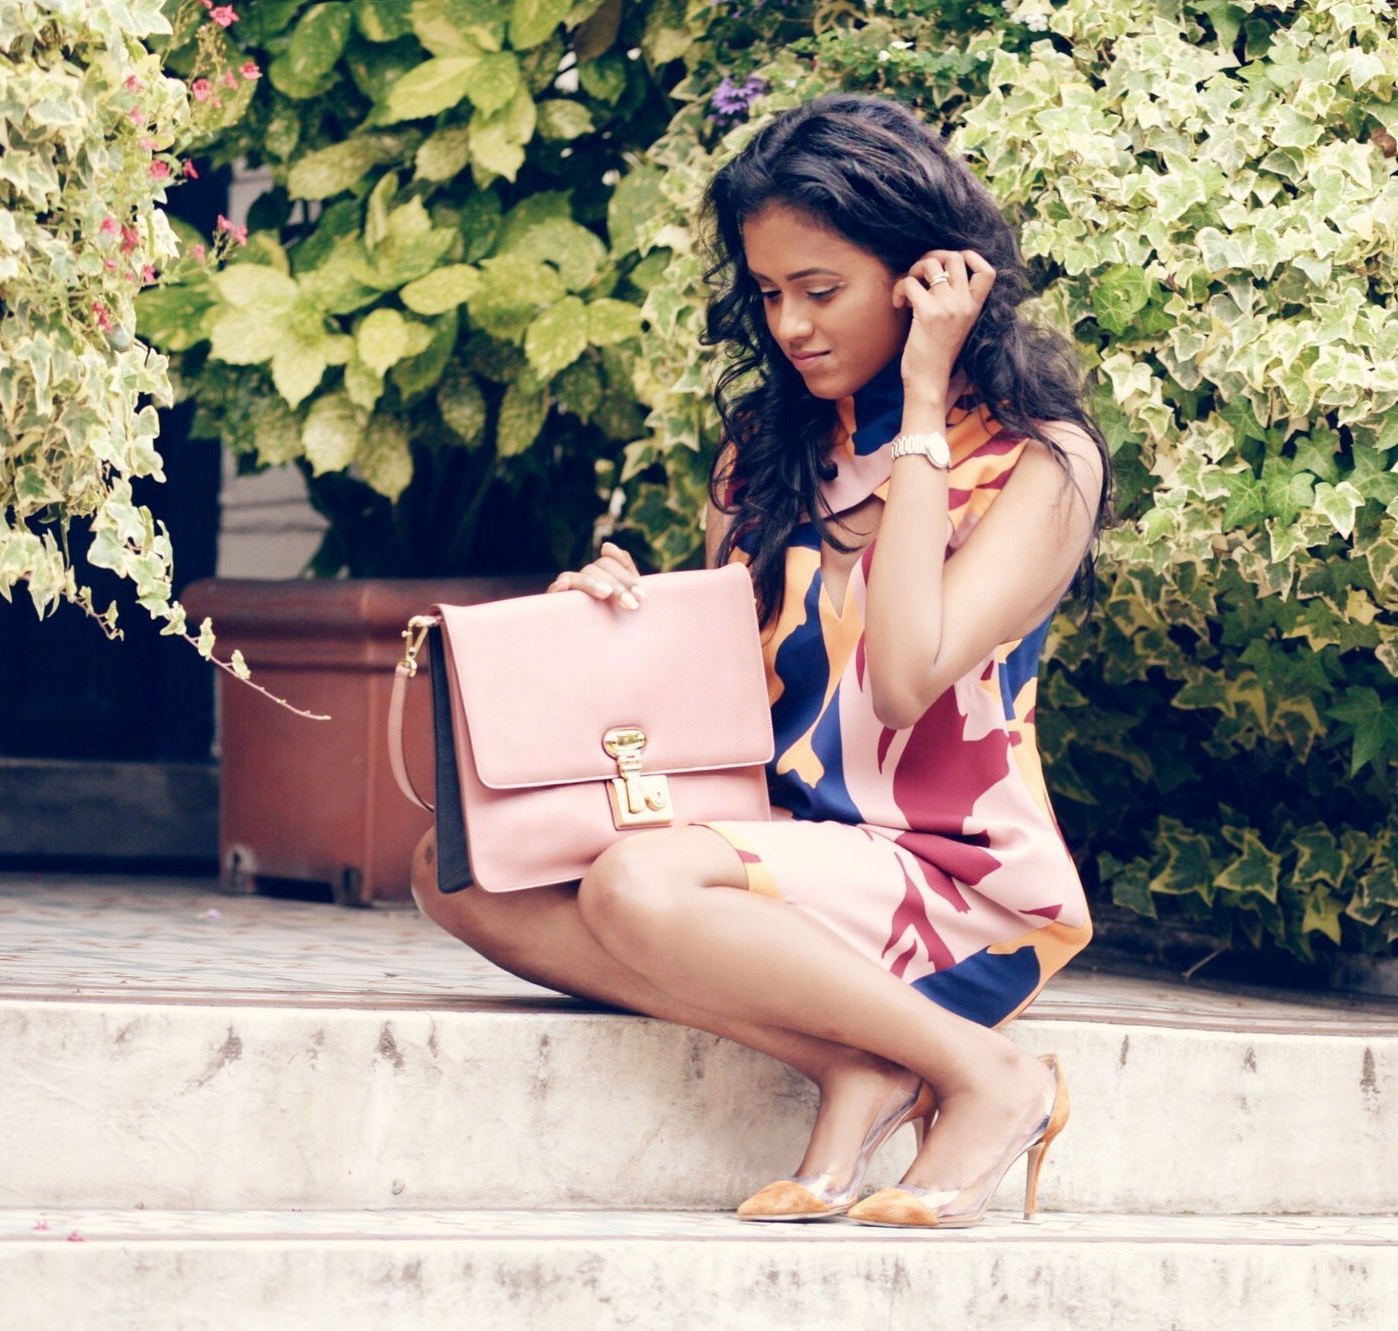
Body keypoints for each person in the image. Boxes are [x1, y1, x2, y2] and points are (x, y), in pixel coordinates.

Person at [410, 91, 1115, 1229]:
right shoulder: (764, 455)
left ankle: (991, 1074)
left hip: (955, 877)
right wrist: (613, 617)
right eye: (769, 293)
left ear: (924, 275)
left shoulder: (1040, 465)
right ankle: (859, 1062)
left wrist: (924, 405)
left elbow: (902, 675)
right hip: (790, 853)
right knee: (457, 862)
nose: (789, 325)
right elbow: (730, 708)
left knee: (635, 879)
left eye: (819, 289)